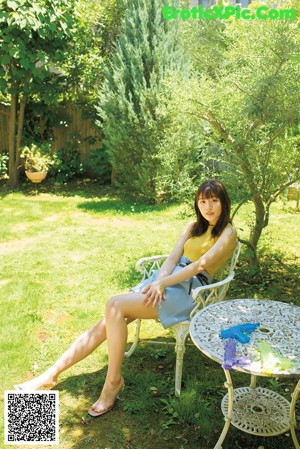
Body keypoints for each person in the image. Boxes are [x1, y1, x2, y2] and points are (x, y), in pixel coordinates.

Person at [15, 179, 237, 418]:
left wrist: (163, 283)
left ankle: (113, 382)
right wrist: (157, 281)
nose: (208, 207)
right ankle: (51, 374)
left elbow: (199, 266)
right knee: (107, 321)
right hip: (165, 281)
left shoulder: (228, 232)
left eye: (214, 200)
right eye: (203, 201)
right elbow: (172, 258)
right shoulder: (193, 226)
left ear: (223, 202)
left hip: (189, 291)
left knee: (114, 306)